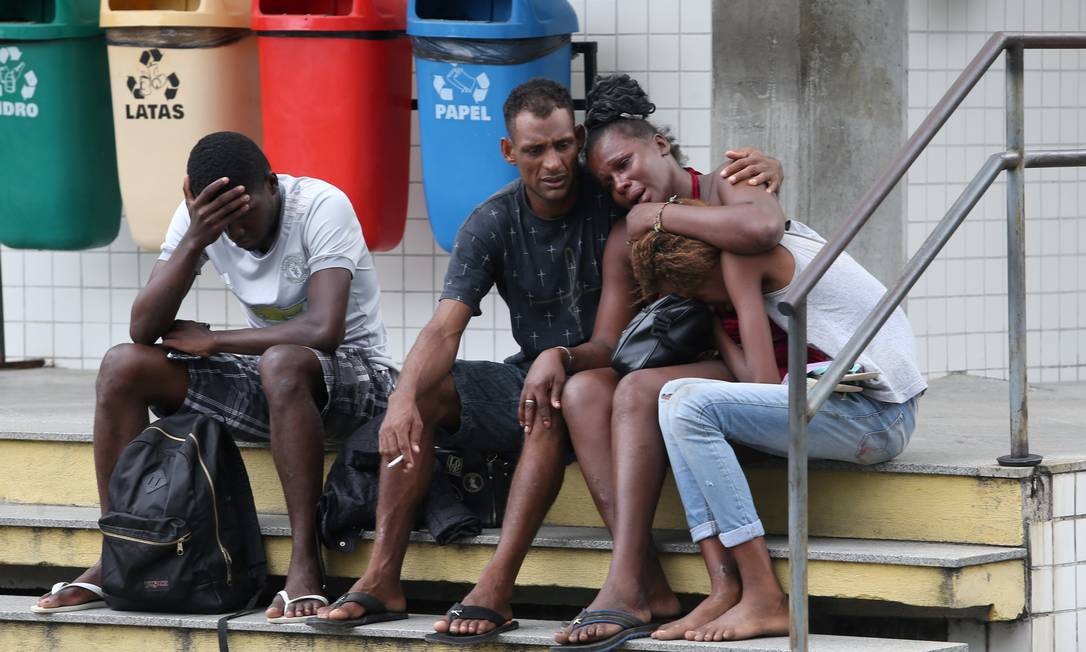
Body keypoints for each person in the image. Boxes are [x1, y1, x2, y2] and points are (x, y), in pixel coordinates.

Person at [307, 77, 783, 642]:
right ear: (510, 152)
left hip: (606, 375)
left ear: (577, 139)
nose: (553, 163)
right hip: (541, 371)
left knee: (556, 395)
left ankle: (503, 584)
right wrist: (402, 399)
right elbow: (444, 326)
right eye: (535, 150)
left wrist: (767, 171)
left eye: (562, 145)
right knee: (427, 394)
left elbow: (687, 185)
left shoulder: (616, 194)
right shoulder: (495, 220)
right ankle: (382, 577)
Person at [31, 131, 394, 625]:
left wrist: (215, 340)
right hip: (276, 382)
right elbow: (143, 328)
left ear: (271, 185)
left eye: (245, 215)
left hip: (361, 383)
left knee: (282, 362)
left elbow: (323, 330)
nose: (237, 232)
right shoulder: (200, 220)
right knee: (123, 365)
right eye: (224, 222)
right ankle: (122, 549)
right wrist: (196, 237)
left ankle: (306, 561)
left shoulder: (321, 206)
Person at [551, 74, 805, 650]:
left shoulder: (728, 181)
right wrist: (560, 356)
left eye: (625, 164)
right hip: (708, 366)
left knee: (642, 391)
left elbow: (762, 227)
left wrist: (659, 217)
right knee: (587, 390)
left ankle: (626, 583)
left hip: (771, 366)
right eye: (609, 181)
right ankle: (647, 576)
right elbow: (609, 345)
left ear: (660, 144)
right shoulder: (627, 235)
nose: (621, 184)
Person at [637, 210, 925, 641]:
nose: (701, 303)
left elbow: (762, 383)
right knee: (673, 397)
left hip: (879, 415)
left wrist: (716, 316)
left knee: (687, 403)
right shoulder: (775, 241)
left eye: (696, 293)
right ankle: (725, 588)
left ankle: (763, 594)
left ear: (708, 266)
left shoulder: (742, 259)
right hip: (866, 410)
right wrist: (715, 326)